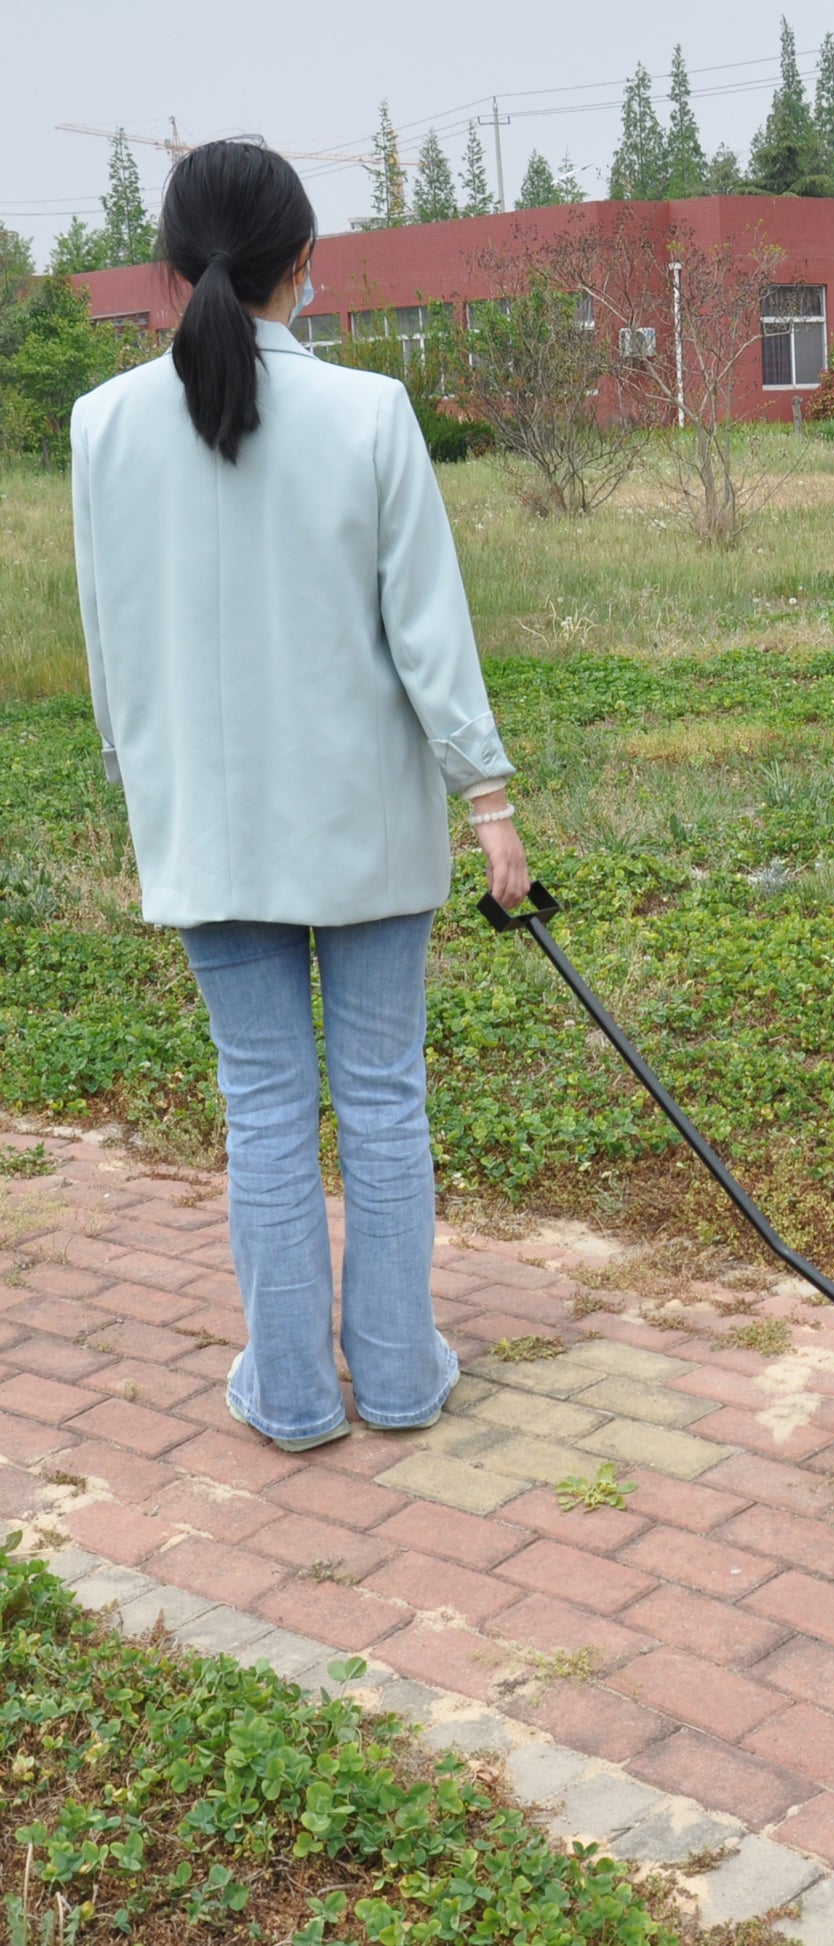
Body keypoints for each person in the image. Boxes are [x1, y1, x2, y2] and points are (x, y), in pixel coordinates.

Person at [71, 140, 528, 1454]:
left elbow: (111, 647)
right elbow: (427, 636)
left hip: (206, 827)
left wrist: (139, 783)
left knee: (263, 1105)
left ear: (165, 270)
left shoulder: (101, 426)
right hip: (368, 826)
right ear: (306, 267)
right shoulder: (372, 411)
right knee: (381, 1096)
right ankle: (395, 1380)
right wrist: (485, 800)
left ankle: (287, 1393)